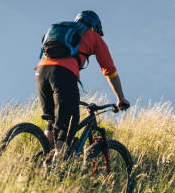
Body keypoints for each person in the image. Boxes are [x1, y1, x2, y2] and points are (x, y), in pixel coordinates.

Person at [35, 10, 130, 163]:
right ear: (94, 27)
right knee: (69, 123)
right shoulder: (93, 36)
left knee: (53, 121)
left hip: (41, 72)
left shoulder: (63, 31)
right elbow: (109, 70)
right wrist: (120, 98)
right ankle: (57, 168)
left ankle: (40, 161)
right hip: (63, 73)